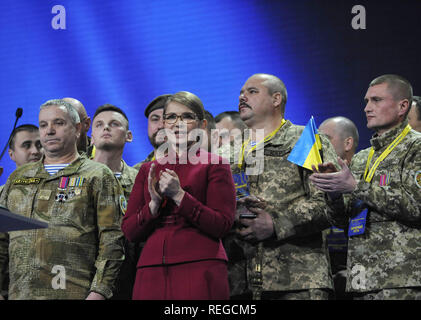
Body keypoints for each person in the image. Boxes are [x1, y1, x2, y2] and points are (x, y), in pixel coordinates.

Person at [224, 73, 339, 300]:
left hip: (297, 281)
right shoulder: (227, 152)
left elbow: (327, 205)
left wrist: (276, 223)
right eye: (240, 93)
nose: (242, 97)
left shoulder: (305, 140)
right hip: (239, 284)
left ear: (276, 99)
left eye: (252, 92)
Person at [0, 99, 125, 300]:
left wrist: (99, 292)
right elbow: (1, 240)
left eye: (58, 123)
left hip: (74, 293)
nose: (49, 131)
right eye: (43, 125)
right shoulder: (17, 178)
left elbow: (112, 240)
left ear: (77, 129)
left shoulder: (98, 175)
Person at [310, 74, 421, 300]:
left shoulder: (416, 147)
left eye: (376, 100)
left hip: (402, 280)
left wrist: (356, 185)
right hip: (360, 280)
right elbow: (342, 221)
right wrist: (333, 192)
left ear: (402, 106)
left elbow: (416, 206)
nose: (367, 108)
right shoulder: (362, 158)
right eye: (367, 101)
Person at [121, 91, 236, 300]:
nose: (178, 123)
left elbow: (222, 224)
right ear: (164, 124)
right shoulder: (147, 169)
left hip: (200, 266)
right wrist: (153, 207)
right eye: (172, 117)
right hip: (151, 270)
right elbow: (129, 231)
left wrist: (180, 196)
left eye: (187, 117)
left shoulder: (216, 164)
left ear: (201, 125)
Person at [91, 104, 140, 300]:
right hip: (81, 279)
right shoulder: (73, 178)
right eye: (99, 125)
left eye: (114, 124)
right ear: (92, 137)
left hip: (129, 280)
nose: (106, 128)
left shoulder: (140, 180)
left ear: (129, 136)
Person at [0, 124, 43, 299]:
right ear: (11, 154)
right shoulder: (2, 195)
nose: (35, 151)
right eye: (26, 145)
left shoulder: (62, 190)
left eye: (40, 144)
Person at [318, 116, 359, 300]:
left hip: (359, 276)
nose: (319, 146)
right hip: (323, 279)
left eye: (325, 139)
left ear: (348, 143)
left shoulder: (364, 175)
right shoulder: (314, 178)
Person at [133, 94, 172, 170]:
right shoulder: (136, 172)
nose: (161, 126)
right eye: (155, 119)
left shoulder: (196, 167)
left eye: (168, 119)